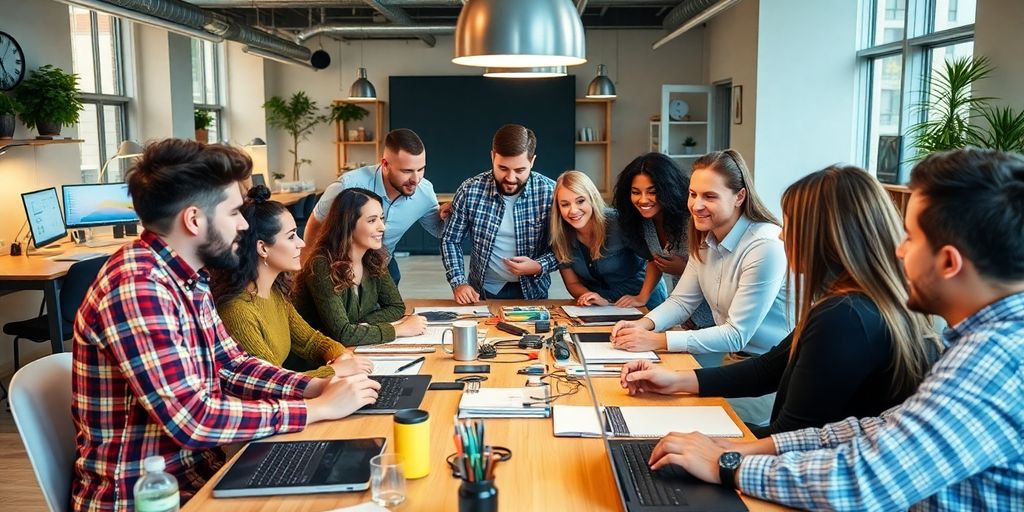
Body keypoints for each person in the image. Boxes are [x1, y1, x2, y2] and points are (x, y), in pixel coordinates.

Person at [634, 148, 1024, 511]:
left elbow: (863, 481)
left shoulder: (995, 359)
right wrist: (730, 446)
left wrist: (727, 462)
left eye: (911, 237)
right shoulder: (979, 342)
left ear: (950, 262)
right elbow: (871, 430)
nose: (900, 250)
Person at [71, 139, 381, 511]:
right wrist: (315, 409)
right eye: (233, 212)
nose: (244, 224)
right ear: (194, 220)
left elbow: (232, 365)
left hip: (204, 474)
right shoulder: (138, 287)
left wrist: (316, 386)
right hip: (149, 496)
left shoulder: (188, 278)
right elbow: (193, 418)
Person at [619, 165, 941, 437]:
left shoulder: (845, 316)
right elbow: (767, 370)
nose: (783, 236)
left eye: (791, 225)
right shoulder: (848, 303)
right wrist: (673, 380)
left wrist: (697, 440)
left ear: (825, 236)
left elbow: (791, 436)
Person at [610, 149, 791, 359]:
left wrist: (657, 340)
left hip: (775, 364)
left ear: (740, 196)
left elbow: (736, 334)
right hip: (735, 356)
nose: (696, 206)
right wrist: (642, 325)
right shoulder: (705, 237)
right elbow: (681, 302)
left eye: (710, 196)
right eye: (693, 194)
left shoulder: (764, 245)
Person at [211, 185, 375, 378]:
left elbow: (311, 341)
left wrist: (340, 354)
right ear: (262, 248)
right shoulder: (237, 312)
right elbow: (273, 382)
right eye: (291, 237)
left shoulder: (274, 292)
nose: (301, 243)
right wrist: (335, 370)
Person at [302, 128, 441, 284]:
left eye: (421, 169)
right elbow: (315, 224)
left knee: (393, 283)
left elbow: (440, 230)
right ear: (385, 164)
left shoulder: (425, 192)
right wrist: (305, 271)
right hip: (340, 263)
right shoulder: (347, 185)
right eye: (406, 171)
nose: (416, 179)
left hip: (382, 262)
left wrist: (449, 214)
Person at [441, 124, 557, 303]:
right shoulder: (470, 190)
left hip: (534, 292)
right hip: (483, 292)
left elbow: (564, 248)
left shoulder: (550, 193)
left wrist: (539, 266)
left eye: (520, 170)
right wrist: (459, 282)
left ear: (532, 161)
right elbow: (451, 240)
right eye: (503, 168)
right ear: (492, 156)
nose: (510, 178)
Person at [294, 187, 425, 345]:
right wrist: (398, 330)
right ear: (348, 224)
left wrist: (359, 326)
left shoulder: (373, 257)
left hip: (348, 350)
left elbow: (396, 307)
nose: (382, 227)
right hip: (318, 355)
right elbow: (343, 334)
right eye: (372, 220)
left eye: (381, 218)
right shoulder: (321, 265)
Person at [611, 152, 712, 317]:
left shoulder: (693, 220)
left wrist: (682, 269)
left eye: (652, 192)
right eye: (636, 192)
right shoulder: (646, 221)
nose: (643, 200)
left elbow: (719, 273)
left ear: (668, 189)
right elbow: (655, 260)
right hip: (686, 310)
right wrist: (642, 297)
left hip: (715, 311)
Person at [550, 170, 667, 309]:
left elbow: (655, 259)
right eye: (565, 204)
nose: (573, 210)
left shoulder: (618, 222)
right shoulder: (560, 237)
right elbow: (573, 283)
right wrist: (589, 296)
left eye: (580, 201)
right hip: (601, 306)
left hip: (643, 300)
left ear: (592, 198)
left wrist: (642, 297)